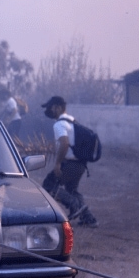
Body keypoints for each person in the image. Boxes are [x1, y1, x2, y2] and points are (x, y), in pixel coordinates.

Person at [40, 95, 99, 228]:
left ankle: (74, 205)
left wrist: (57, 163)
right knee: (72, 189)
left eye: (51, 108)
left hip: (70, 164)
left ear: (58, 108)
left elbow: (65, 143)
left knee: (48, 187)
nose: (49, 111)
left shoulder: (59, 124)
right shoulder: (73, 121)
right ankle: (89, 218)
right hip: (81, 165)